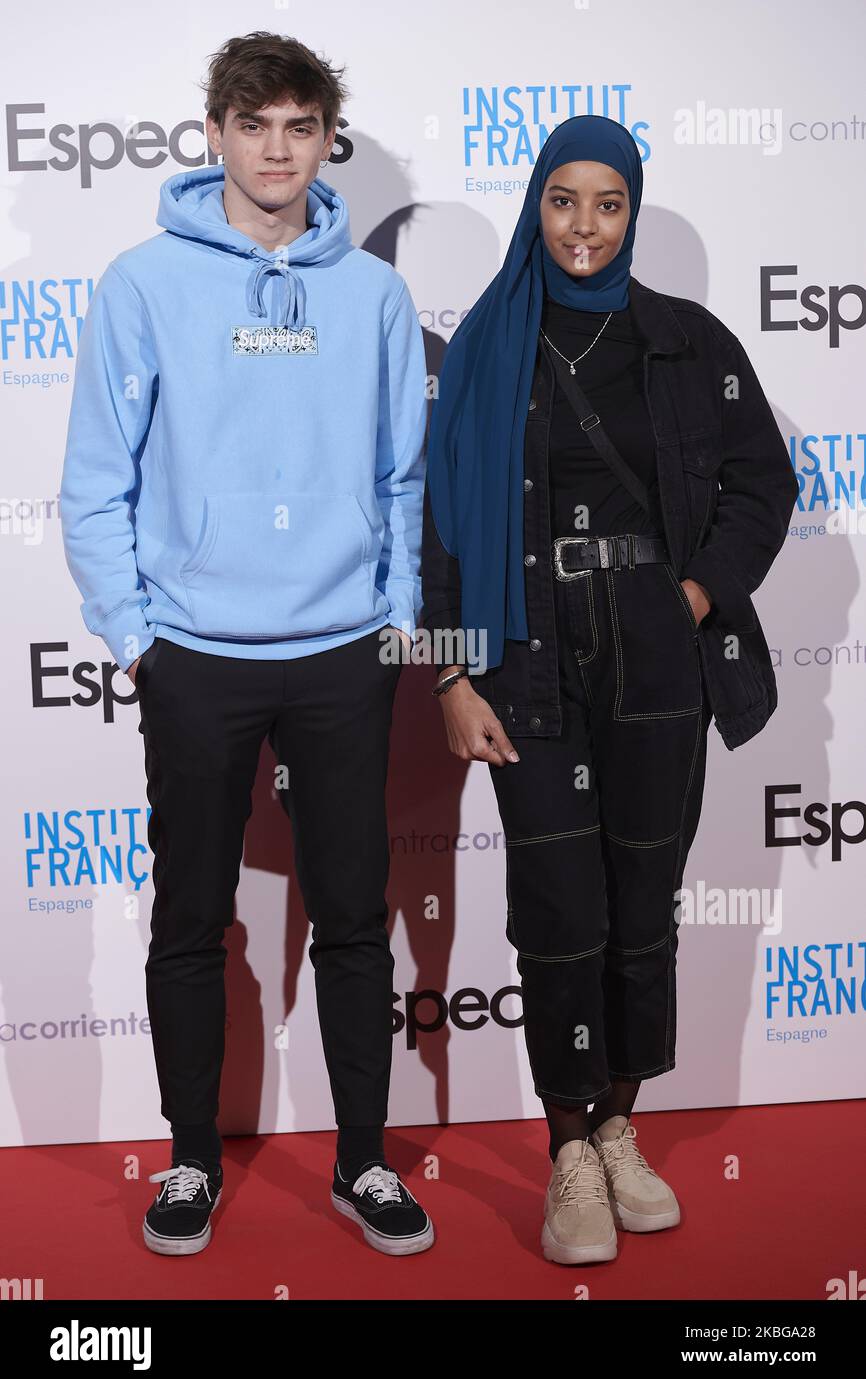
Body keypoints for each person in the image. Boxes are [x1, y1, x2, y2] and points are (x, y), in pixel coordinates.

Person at [60, 31, 432, 1258]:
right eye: (254, 124)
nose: (277, 149)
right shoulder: (142, 282)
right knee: (190, 914)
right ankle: (186, 1159)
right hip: (197, 653)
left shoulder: (372, 295)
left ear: (328, 140)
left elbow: (401, 474)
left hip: (339, 649)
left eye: (300, 125)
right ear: (215, 133)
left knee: (353, 918)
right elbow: (95, 481)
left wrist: (394, 613)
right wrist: (136, 634)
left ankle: (364, 1163)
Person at [422, 115, 797, 1264]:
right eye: (562, 201)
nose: (583, 226)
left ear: (630, 213)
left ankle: (620, 1123)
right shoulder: (486, 342)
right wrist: (444, 668)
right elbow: (434, 518)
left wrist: (690, 598)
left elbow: (761, 484)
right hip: (523, 655)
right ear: (535, 206)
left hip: (651, 655)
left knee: (641, 908)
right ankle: (566, 1152)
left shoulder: (686, 341)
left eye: (607, 204)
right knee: (558, 916)